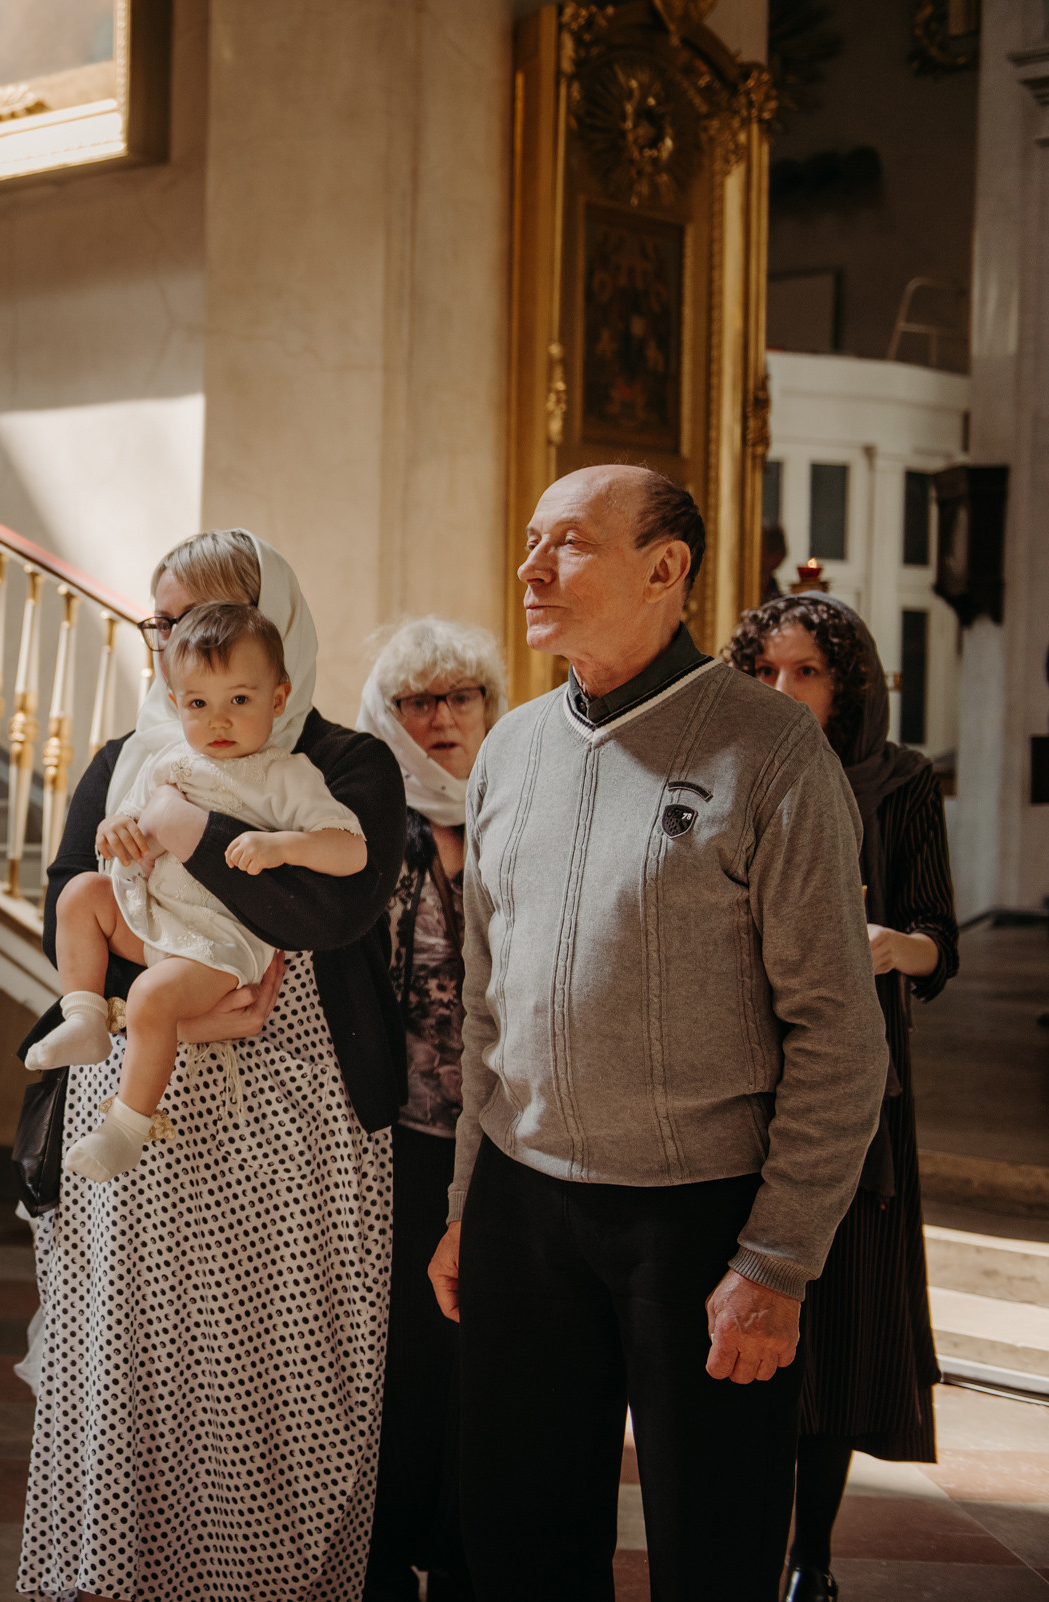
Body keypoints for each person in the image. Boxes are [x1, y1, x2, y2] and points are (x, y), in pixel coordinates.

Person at [430, 465, 888, 1600]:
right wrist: (464, 1211)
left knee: (714, 1552)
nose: (532, 567)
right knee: (518, 1545)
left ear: (665, 568)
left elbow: (838, 1030)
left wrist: (776, 1263)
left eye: (570, 543)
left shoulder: (773, 753)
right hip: (525, 1209)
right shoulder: (512, 751)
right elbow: (488, 1010)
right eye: (531, 539)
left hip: (702, 1224)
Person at [20, 529, 407, 1602]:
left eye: (200, 619)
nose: (176, 644)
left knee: (280, 1381)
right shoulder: (126, 759)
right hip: (143, 1095)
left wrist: (193, 835)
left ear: (268, 639)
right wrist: (181, 1011)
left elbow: (335, 906)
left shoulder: (344, 763)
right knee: (140, 1376)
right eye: (161, 623)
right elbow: (73, 893)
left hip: (296, 1113)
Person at [723, 595, 959, 1602]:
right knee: (735, 1334)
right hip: (734, 1080)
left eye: (805, 673)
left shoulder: (899, 781)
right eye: (765, 672)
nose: (782, 692)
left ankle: (809, 1557)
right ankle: (734, 1545)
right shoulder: (727, 768)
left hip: (855, 1090)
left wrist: (890, 950)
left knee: (839, 1337)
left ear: (848, 682)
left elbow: (938, 936)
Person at [33, 602, 367, 1181]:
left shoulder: (284, 774)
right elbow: (130, 827)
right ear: (174, 703)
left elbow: (351, 848)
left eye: (239, 700)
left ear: (278, 700)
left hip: (219, 944)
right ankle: (85, 1018)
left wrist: (285, 845)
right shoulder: (166, 761)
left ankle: (126, 1129)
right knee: (80, 894)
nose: (218, 721)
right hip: (157, 918)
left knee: (150, 998)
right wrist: (116, 829)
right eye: (198, 704)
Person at [354, 616, 505, 1602]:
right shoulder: (367, 828)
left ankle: (465, 1558)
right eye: (421, 700)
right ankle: (380, 1561)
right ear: (391, 715)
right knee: (399, 1367)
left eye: (463, 697)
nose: (444, 718)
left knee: (489, 1368)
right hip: (396, 1145)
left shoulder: (515, 810)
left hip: (502, 1144)